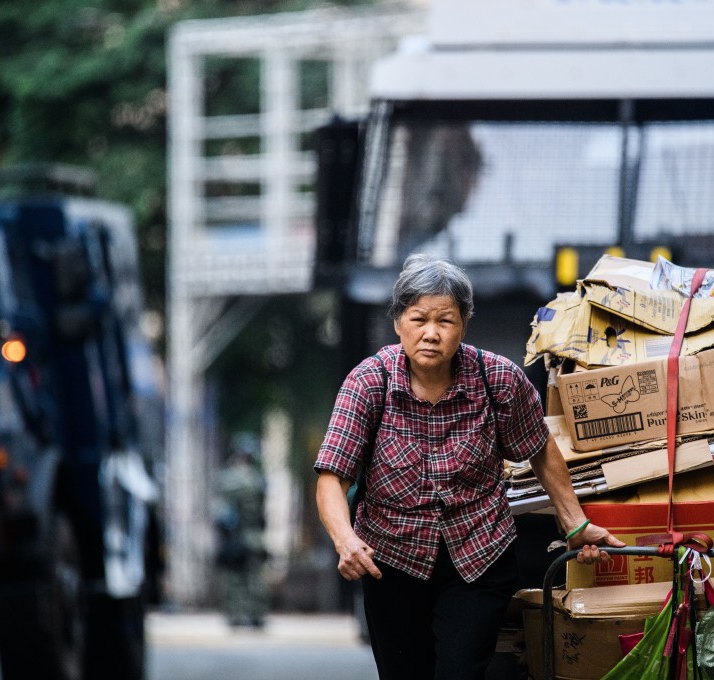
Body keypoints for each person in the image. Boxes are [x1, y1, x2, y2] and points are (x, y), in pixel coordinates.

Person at [314, 253, 624, 679]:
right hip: (392, 560)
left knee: (460, 671)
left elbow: (541, 448)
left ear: (464, 324)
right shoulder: (370, 383)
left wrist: (574, 523)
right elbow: (333, 475)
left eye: (445, 321)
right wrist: (345, 539)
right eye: (419, 319)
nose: (431, 334)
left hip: (478, 558)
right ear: (398, 322)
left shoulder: (499, 380)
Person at [214, 431, 269, 629]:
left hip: (234, 536)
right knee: (255, 577)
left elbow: (220, 512)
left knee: (234, 578)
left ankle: (235, 615)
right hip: (254, 535)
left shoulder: (227, 479)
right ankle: (257, 616)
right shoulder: (257, 479)